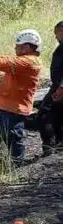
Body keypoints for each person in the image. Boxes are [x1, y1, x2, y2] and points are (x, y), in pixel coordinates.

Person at [0, 29, 43, 164]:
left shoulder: (29, 62)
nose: (15, 48)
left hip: (14, 108)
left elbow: (5, 63)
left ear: (27, 47)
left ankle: (17, 166)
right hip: (6, 107)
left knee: (13, 138)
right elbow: (6, 59)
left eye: (17, 45)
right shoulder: (24, 60)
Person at [38, 21, 63, 155]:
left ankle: (50, 147)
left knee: (45, 114)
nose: (56, 36)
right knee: (57, 115)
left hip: (59, 87)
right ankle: (58, 146)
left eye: (57, 33)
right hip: (57, 86)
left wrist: (61, 88)